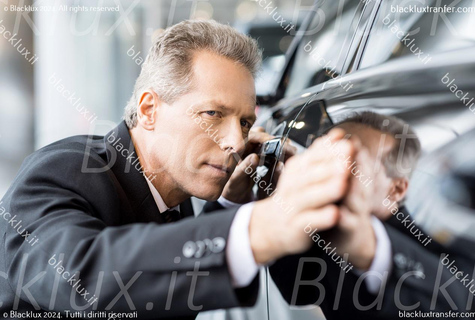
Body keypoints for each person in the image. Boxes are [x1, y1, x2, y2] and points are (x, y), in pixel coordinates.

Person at [0, 20, 358, 319]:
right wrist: (254, 230)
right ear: (149, 109)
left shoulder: (172, 188)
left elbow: (158, 284)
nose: (235, 141)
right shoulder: (60, 171)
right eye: (213, 114)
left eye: (246, 122)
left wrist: (233, 206)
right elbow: (83, 277)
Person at [268, 111, 475, 319]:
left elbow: (465, 303)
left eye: (353, 162)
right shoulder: (326, 222)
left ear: (396, 189)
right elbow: (298, 290)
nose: (327, 170)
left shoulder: (437, 237)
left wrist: (370, 251)